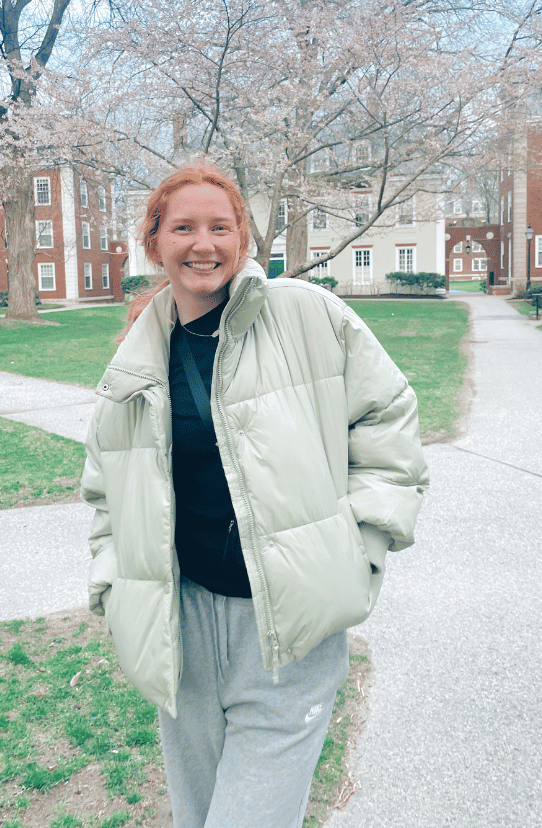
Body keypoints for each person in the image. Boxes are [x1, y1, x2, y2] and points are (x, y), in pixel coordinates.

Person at [81, 162, 429, 828]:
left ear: (242, 238)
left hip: (287, 633)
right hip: (179, 630)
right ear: (156, 242)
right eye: (182, 228)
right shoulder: (137, 359)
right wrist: (113, 584)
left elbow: (389, 414)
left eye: (220, 226)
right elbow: (105, 492)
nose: (202, 244)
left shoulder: (307, 315)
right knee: (198, 815)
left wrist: (362, 545)